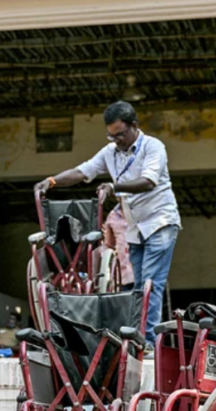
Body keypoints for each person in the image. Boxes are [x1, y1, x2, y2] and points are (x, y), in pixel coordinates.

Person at [35, 101, 179, 353]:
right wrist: (52, 180)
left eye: (120, 135)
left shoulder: (153, 147)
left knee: (151, 284)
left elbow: (148, 181)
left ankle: (147, 342)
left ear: (134, 126)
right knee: (138, 286)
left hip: (160, 222)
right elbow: (83, 171)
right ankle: (139, 337)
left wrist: (114, 187)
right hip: (135, 228)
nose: (116, 141)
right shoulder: (110, 152)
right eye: (111, 136)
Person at [102, 206, 135, 291]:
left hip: (139, 270)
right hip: (122, 273)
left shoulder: (141, 211)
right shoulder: (112, 215)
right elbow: (109, 243)